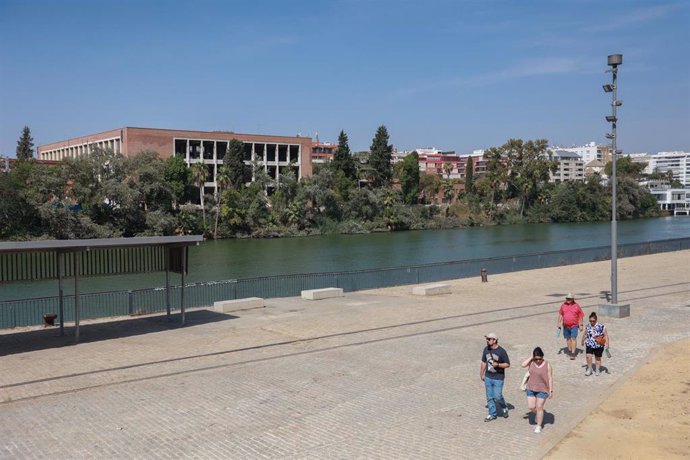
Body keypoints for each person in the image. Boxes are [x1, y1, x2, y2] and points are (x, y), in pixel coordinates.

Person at [521, 347, 553, 433]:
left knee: (539, 407)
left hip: (543, 389)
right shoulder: (531, 362)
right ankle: (538, 414)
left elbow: (550, 378)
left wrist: (550, 390)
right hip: (530, 388)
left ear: (542, 357)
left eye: (540, 359)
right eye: (536, 359)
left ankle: (539, 425)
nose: (538, 361)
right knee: (531, 407)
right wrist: (531, 357)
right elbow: (523, 365)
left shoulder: (547, 364)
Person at [480, 332, 511, 422]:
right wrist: (481, 373)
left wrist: (498, 365)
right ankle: (492, 414)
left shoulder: (501, 351)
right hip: (488, 376)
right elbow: (483, 362)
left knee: (498, 396)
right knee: (489, 397)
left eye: (489, 339)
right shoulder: (486, 349)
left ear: (494, 340)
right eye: (487, 339)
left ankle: (504, 406)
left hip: (498, 377)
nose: (487, 340)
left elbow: (507, 364)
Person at [581, 311, 609, 376]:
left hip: (598, 345)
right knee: (588, 356)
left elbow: (606, 335)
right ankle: (590, 369)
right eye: (590, 321)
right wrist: (582, 341)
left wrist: (607, 344)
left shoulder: (601, 326)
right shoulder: (588, 326)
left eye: (593, 321)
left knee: (597, 358)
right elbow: (585, 334)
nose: (592, 322)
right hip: (589, 344)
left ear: (596, 320)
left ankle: (597, 369)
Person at [557, 293, 584, 360]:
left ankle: (573, 353)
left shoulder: (576, 306)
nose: (567, 300)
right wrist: (558, 322)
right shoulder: (563, 305)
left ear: (572, 299)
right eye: (567, 298)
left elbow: (581, 315)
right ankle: (569, 350)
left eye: (569, 299)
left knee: (573, 338)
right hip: (565, 325)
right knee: (568, 338)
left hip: (574, 325)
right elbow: (561, 314)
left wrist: (581, 325)